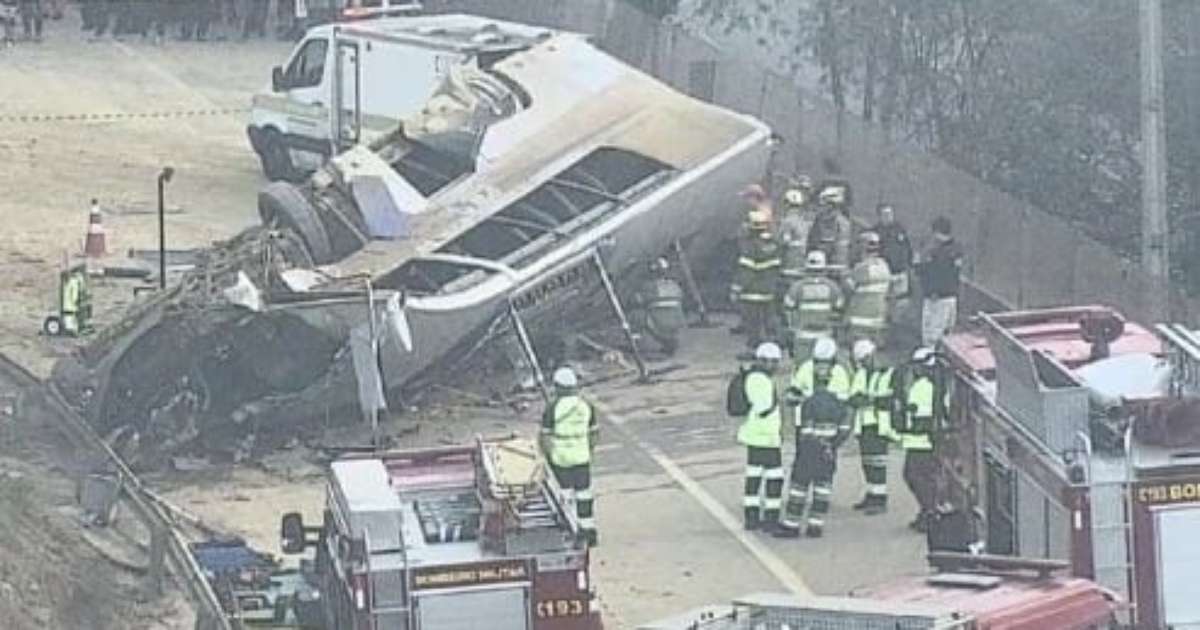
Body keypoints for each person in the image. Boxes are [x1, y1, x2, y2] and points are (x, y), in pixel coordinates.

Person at [775, 384, 849, 538]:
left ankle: (792, 525)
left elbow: (807, 432)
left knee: (799, 489)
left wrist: (818, 446)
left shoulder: (809, 403)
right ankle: (815, 526)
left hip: (809, 455)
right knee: (822, 490)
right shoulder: (840, 406)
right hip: (829, 456)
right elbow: (844, 431)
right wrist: (830, 446)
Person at [541, 366, 599, 546]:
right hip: (582, 455)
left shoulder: (553, 407)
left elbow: (545, 436)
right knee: (584, 494)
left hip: (561, 457)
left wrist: (547, 456)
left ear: (558, 387)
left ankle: (573, 530)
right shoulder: (586, 406)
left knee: (565, 494)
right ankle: (589, 529)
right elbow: (594, 434)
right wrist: (588, 451)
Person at [737, 342, 785, 533]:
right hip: (765, 437)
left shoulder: (752, 377)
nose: (774, 366)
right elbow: (764, 407)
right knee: (774, 478)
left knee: (754, 476)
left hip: (755, 435)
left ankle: (752, 517)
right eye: (772, 362)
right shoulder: (760, 380)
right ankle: (771, 519)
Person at [847, 339, 897, 514]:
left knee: (878, 462)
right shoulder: (861, 375)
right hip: (864, 424)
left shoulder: (888, 374)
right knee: (867, 462)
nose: (866, 362)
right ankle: (871, 494)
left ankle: (880, 499)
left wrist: (869, 399)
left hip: (880, 425)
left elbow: (889, 400)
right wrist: (871, 399)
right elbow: (853, 398)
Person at [898, 347, 940, 532]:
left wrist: (911, 422)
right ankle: (927, 511)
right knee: (916, 477)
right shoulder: (924, 385)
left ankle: (930, 513)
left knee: (918, 477)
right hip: (918, 440)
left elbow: (926, 417)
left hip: (923, 442)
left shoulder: (926, 386)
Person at [782, 250, 844, 361]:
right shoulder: (832, 287)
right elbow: (839, 309)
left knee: (802, 368)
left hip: (803, 335)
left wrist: (792, 329)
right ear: (824, 269)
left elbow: (788, 309)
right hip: (825, 334)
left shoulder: (797, 287)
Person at [731, 216, 781, 348]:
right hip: (768, 291)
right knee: (769, 321)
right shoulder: (773, 245)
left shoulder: (750, 246)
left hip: (752, 293)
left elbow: (746, 271)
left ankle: (754, 348)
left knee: (753, 323)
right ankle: (772, 345)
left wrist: (736, 290)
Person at [917, 216, 963, 348]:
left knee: (931, 336)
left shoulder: (936, 251)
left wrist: (933, 290)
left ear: (936, 232)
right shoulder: (956, 249)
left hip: (937, 298)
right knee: (947, 334)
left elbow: (933, 272)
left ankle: (930, 363)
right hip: (950, 296)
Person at [843, 231, 891, 348]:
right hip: (878, 318)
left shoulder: (861, 268)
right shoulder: (884, 265)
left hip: (860, 320)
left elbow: (849, 289)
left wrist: (843, 277)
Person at [634, 257, 686, 356]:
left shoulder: (648, 286)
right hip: (676, 321)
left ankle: (638, 344)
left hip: (659, 323)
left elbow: (638, 300)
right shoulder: (674, 285)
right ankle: (668, 340)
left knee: (635, 316)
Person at [871, 203, 913, 305]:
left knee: (900, 301)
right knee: (884, 301)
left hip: (900, 271)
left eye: (890, 213)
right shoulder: (875, 232)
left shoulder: (900, 229)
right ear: (879, 216)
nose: (888, 216)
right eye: (885, 214)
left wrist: (907, 264)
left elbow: (907, 247)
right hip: (884, 273)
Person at [778, 180, 818, 282]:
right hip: (803, 265)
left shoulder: (787, 222)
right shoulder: (804, 222)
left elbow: (784, 242)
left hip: (790, 266)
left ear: (787, 204)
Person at [807, 183, 852, 269]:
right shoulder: (844, 221)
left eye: (822, 206)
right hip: (839, 265)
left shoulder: (833, 222)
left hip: (831, 267)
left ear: (831, 206)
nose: (819, 209)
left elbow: (825, 244)